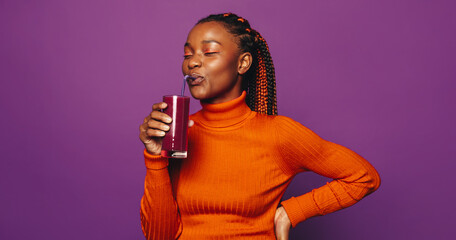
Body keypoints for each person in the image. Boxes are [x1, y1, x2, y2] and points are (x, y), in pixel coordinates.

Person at [139, 13, 381, 240]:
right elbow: (159, 236)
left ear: (243, 63)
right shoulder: (180, 134)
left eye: (209, 52)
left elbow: (363, 177)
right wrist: (155, 156)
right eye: (187, 54)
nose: (192, 63)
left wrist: (290, 212)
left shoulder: (277, 134)